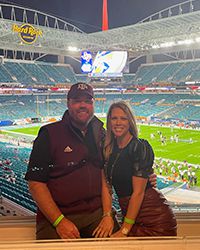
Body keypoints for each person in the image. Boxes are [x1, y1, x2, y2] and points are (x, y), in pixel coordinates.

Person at [25, 83, 157, 240]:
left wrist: (144, 177)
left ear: (93, 104)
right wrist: (59, 222)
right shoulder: (49, 134)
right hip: (58, 215)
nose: (83, 105)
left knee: (118, 245)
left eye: (88, 101)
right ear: (68, 103)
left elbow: (117, 167)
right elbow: (35, 184)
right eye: (77, 100)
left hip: (96, 214)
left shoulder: (102, 134)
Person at [102, 101, 177, 237]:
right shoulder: (108, 149)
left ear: (130, 121)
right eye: (114, 118)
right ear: (109, 121)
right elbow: (106, 186)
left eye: (123, 118)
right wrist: (108, 215)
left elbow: (138, 193)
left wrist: (125, 229)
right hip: (131, 216)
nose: (118, 122)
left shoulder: (139, 147)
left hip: (154, 218)